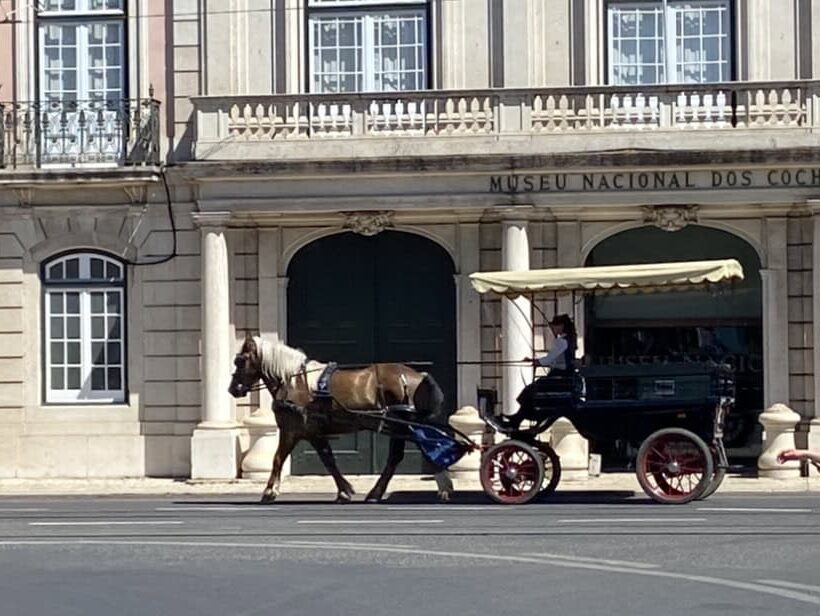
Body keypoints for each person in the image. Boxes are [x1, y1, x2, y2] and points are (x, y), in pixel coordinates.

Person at [500, 314, 578, 430]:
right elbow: (554, 360)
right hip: (562, 376)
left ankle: (517, 420)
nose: (553, 329)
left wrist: (537, 362)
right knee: (532, 390)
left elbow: (549, 359)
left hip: (558, 377)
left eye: (554, 326)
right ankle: (517, 418)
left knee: (531, 391)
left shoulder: (561, 341)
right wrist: (535, 361)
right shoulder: (569, 340)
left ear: (561, 326)